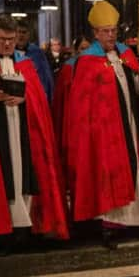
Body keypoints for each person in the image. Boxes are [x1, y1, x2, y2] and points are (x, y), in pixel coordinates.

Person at [0, 15, 68, 250]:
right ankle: (1, 233)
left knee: (25, 175)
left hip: (24, 132)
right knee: (2, 179)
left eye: (10, 39)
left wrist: (26, 97)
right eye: (1, 40)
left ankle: (27, 230)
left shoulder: (26, 63)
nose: (6, 44)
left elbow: (39, 99)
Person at [65, 1, 139, 248]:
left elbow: (137, 90)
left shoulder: (126, 53)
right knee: (109, 172)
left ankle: (138, 219)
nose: (111, 35)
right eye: (105, 31)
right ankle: (112, 224)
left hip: (129, 124)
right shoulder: (86, 61)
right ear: (95, 33)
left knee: (134, 166)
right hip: (103, 132)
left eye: (114, 30)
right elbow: (83, 105)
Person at [52, 35, 90, 176]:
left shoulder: (96, 64)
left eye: (88, 49)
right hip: (73, 117)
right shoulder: (69, 68)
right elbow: (62, 97)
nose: (85, 52)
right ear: (75, 50)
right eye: (82, 49)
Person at [15, 18, 54, 101]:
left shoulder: (37, 53)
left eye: (24, 32)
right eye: (18, 32)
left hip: (35, 96)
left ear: (28, 34)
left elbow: (46, 76)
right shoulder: (8, 52)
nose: (21, 35)